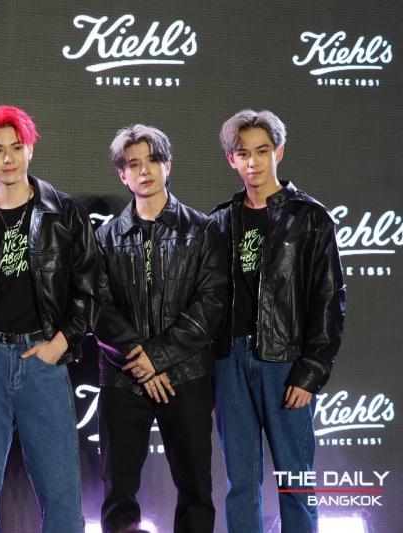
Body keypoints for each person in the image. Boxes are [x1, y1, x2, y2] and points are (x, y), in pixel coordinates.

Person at [0, 105, 99, 533]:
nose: (8, 157)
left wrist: (60, 343)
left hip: (42, 358)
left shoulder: (64, 213)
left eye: (16, 147)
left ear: (30, 149)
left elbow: (91, 288)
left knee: (59, 484)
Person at [210, 109, 346, 533]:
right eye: (243, 153)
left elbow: (329, 300)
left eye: (262, 151)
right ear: (231, 159)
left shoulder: (310, 218)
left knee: (295, 480)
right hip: (229, 362)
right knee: (240, 482)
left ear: (279, 152)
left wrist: (310, 372)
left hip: (285, 361)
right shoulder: (219, 221)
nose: (253, 162)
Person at [94, 124, 226, 533]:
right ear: (122, 174)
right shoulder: (104, 237)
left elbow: (211, 305)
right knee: (118, 491)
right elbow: (98, 308)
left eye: (153, 160)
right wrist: (140, 361)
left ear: (168, 165)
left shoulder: (203, 230)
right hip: (124, 379)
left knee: (196, 488)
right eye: (133, 164)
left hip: (186, 375)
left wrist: (157, 358)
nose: (144, 170)